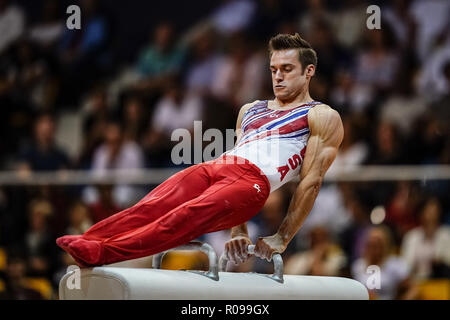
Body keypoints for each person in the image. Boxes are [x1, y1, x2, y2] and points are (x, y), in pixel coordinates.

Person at [56, 33, 344, 268]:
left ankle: (102, 254)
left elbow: (311, 181)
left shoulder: (320, 116)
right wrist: (239, 230)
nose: (278, 77)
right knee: (150, 206)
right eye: (273, 70)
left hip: (252, 184)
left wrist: (282, 237)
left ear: (309, 72)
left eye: (287, 69)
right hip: (218, 166)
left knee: (181, 218)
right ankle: (89, 240)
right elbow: (239, 150)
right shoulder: (250, 109)